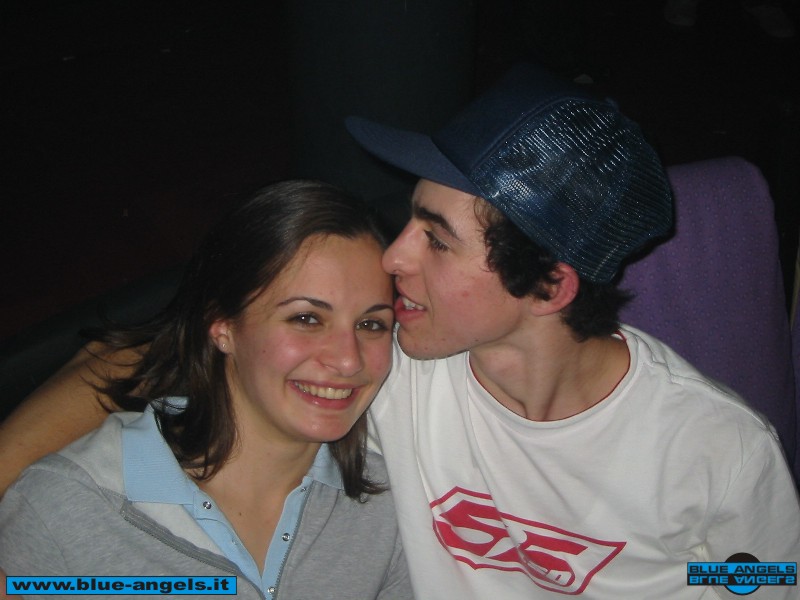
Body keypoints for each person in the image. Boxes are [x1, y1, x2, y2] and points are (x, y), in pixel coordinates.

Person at [2, 63, 799, 598]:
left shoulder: (713, 451)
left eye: (436, 239)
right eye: (411, 218)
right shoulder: (396, 370)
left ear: (550, 286)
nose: (394, 256)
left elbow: (753, 585)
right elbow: (172, 347)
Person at [0, 181, 412, 599]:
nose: (348, 360)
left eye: (371, 324)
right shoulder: (67, 507)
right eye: (306, 319)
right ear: (223, 327)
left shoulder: (395, 505)